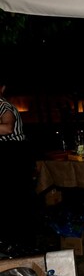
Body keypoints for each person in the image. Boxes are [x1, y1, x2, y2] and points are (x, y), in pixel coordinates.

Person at [0, 81, 37, 249]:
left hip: (13, 155)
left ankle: (22, 243)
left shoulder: (3, 105)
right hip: (9, 155)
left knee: (17, 199)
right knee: (9, 200)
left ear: (2, 89)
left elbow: (8, 128)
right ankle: (12, 241)